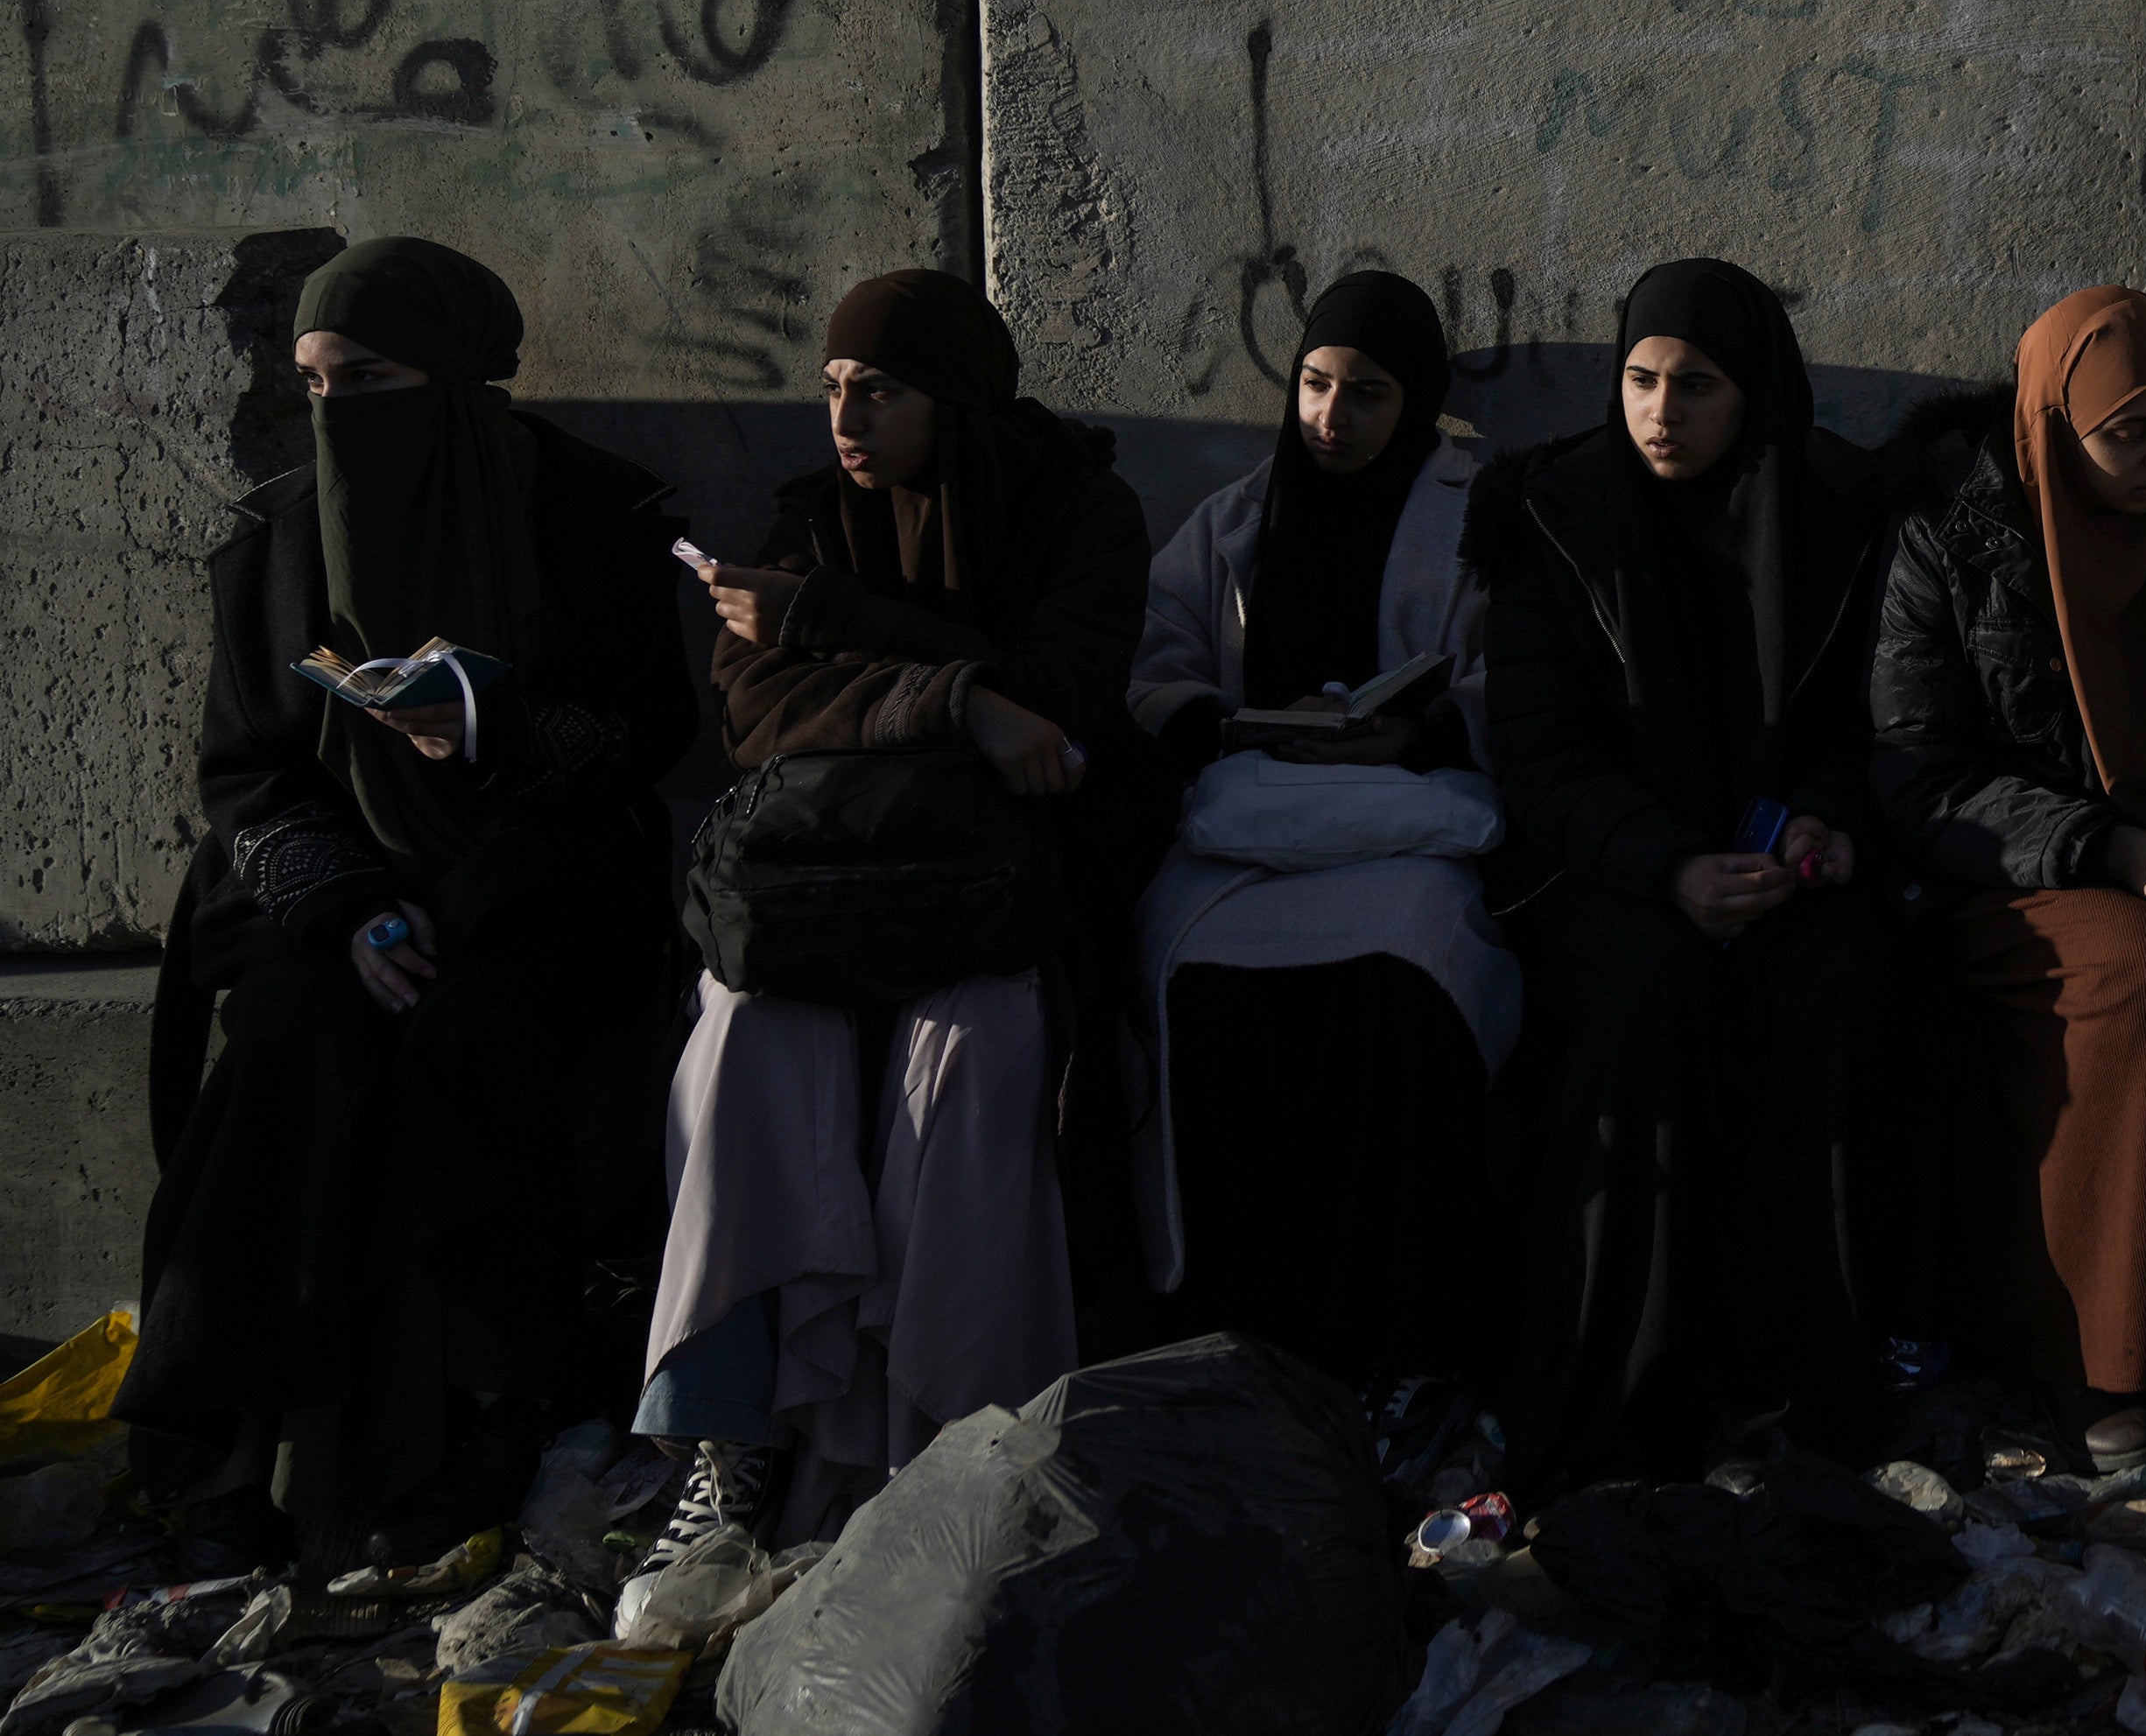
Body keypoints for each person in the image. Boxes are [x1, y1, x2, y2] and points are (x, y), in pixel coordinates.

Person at [121, 237, 699, 1562]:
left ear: (449, 376)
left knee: (474, 1043)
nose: (338, 411)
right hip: (341, 887)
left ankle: (480, 1422)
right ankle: (239, 1440)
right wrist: (349, 909)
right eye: (315, 383)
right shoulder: (274, 541)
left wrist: (492, 727)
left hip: (535, 876)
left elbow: (646, 733)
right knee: (294, 1042)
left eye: (368, 377)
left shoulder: (584, 510)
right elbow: (250, 774)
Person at [630, 267, 1146, 1580]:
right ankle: (729, 1439)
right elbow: (755, 715)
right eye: (832, 388)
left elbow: (1064, 700)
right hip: (822, 895)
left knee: (970, 1056)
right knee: (743, 1040)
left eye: (882, 390)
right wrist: (959, 702)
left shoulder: (1077, 510)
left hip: (997, 891)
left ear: (954, 403)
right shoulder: (809, 517)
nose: (847, 417)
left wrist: (830, 626)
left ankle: (946, 1432)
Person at [1869, 284, 2146, 1466]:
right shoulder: (1947, 535)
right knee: (2135, 967)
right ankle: (2092, 1355)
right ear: (2055, 427)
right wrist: (2104, 846)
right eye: (2129, 431)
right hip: (2005, 870)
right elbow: (1917, 777)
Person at [1475, 257, 1896, 1478]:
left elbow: (1853, 729)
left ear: (1752, 392)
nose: (1661, 413)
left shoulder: (1832, 515)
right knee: (1645, 995)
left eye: (1697, 386)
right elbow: (1542, 761)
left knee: (1838, 976)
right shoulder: (1554, 516)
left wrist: (1819, 825)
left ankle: (1805, 1379)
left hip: (1779, 868)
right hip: (1608, 871)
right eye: (1641, 380)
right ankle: (1624, 1394)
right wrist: (1668, 867)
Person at [1123, 271, 1516, 1394]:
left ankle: (1389, 1339)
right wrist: (1212, 718)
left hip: (1405, 832)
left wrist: (1429, 724)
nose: (1332, 420)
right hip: (1248, 830)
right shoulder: (1239, 518)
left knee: (1401, 978)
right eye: (1314, 385)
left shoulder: (1472, 513)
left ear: (1420, 404)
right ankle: (1227, 1323)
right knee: (1194, 981)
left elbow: (1514, 668)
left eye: (1368, 395)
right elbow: (1160, 652)